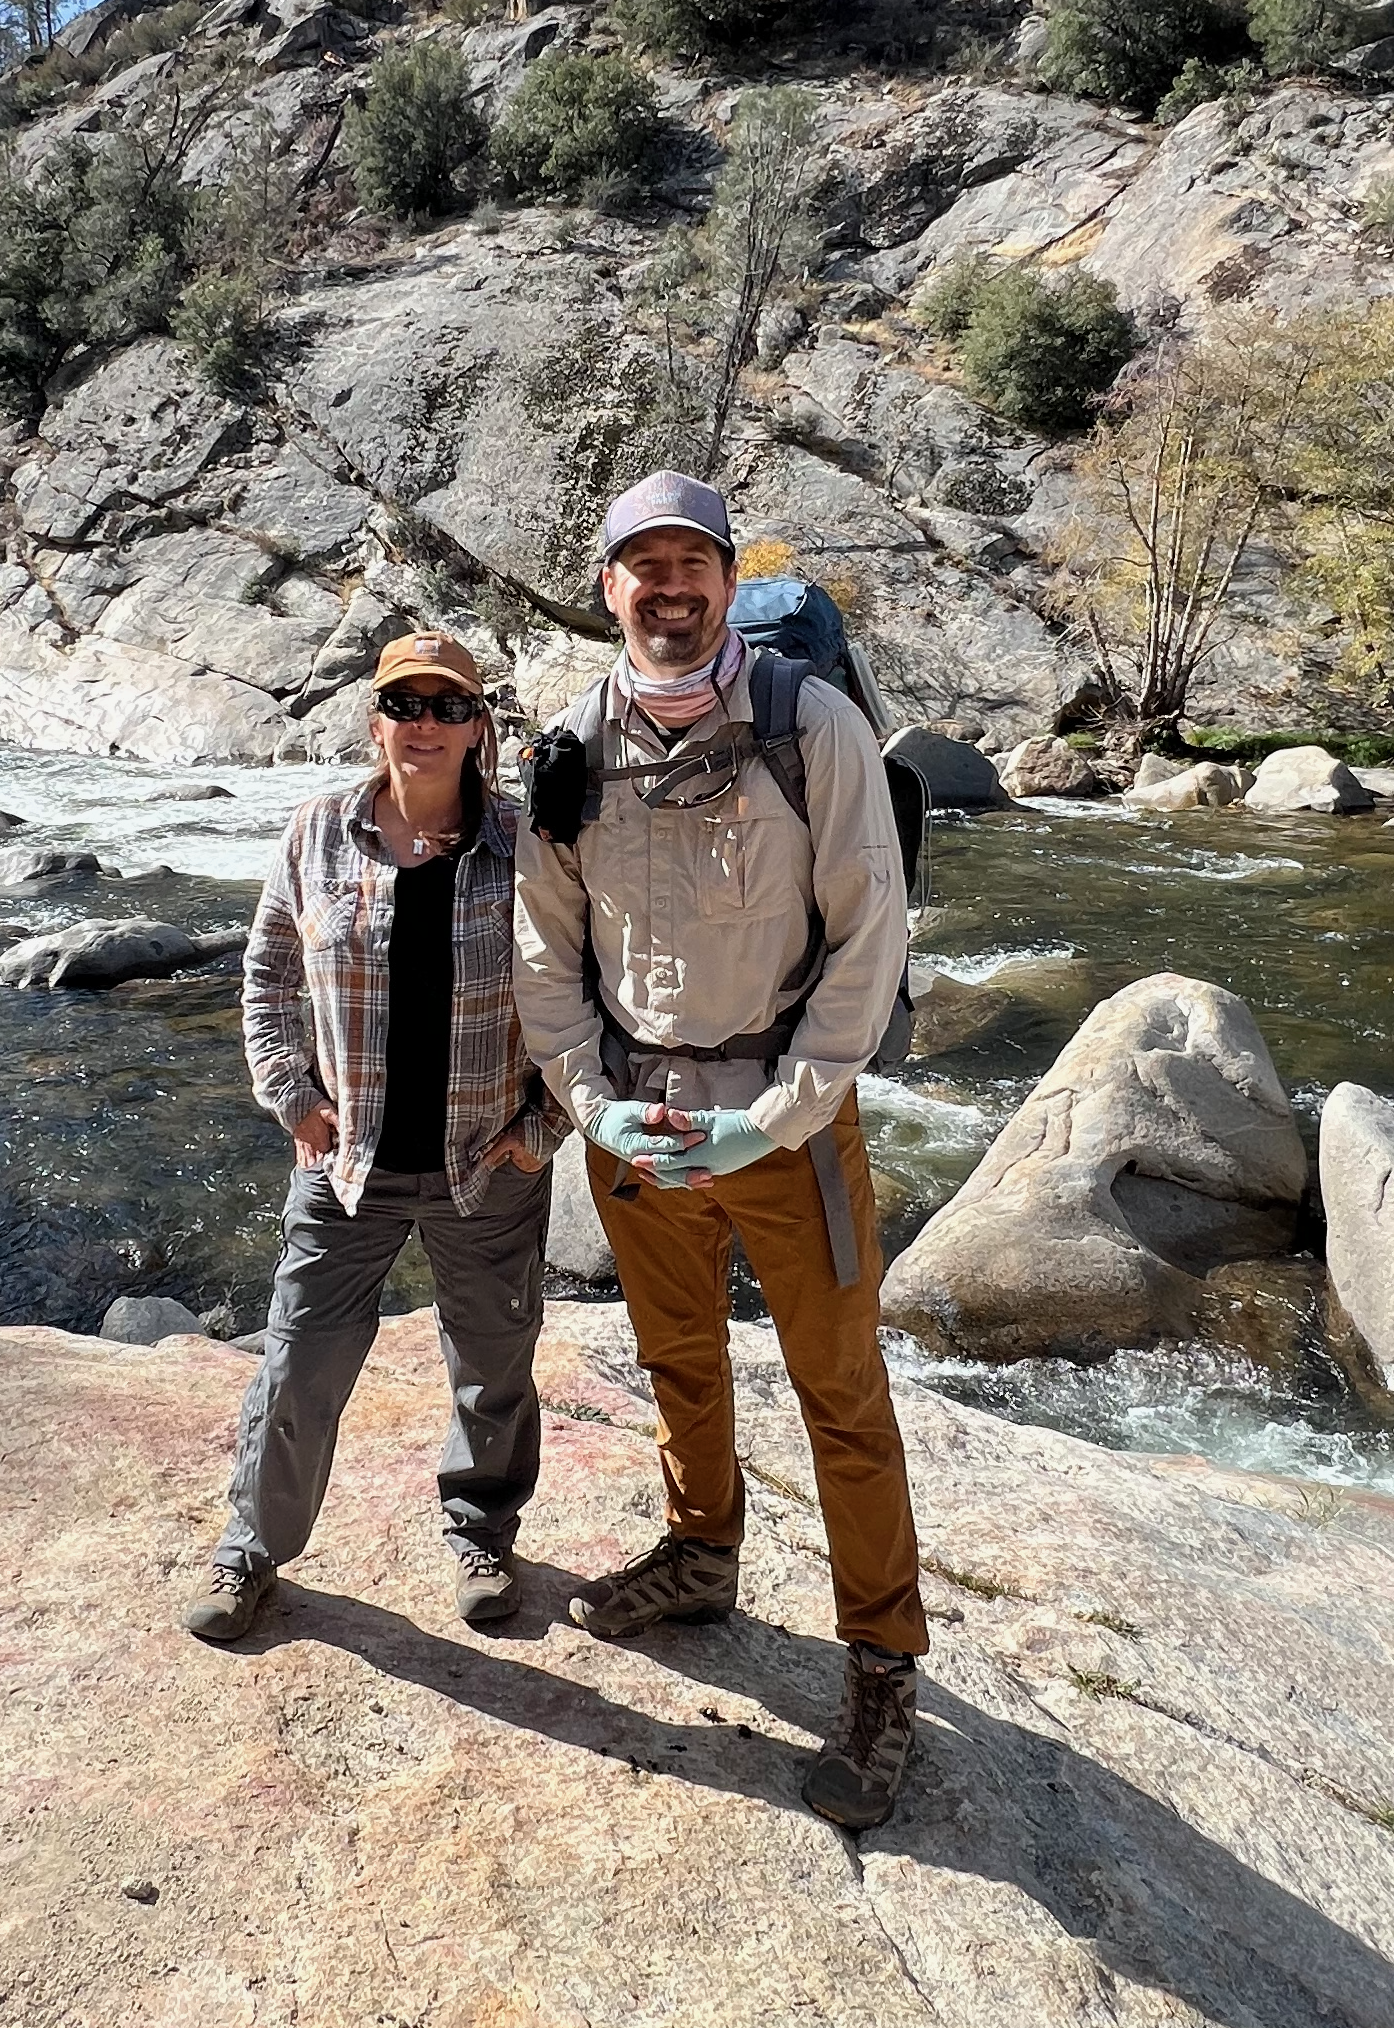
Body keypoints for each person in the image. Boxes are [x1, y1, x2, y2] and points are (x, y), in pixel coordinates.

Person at [513, 471, 929, 1829]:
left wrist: (784, 1108)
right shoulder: (570, 742)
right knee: (676, 1355)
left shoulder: (812, 728)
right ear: (607, 586)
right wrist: (585, 1097)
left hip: (783, 1125)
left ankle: (880, 1661)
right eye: (645, 566)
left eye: (693, 562)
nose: (670, 587)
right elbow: (544, 940)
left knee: (839, 1395)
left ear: (725, 578)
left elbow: (869, 935)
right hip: (637, 1127)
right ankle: (698, 1551)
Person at [185, 631, 563, 1643]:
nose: (425, 724)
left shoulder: (528, 846)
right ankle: (249, 1551)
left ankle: (480, 1531)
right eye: (407, 703)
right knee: (297, 1365)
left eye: (449, 706)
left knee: (492, 1364)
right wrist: (289, 1095)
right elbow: (266, 977)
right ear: (376, 720)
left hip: (485, 1164)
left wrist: (544, 1125)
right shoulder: (317, 833)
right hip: (343, 1164)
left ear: (480, 727)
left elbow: (584, 1000)